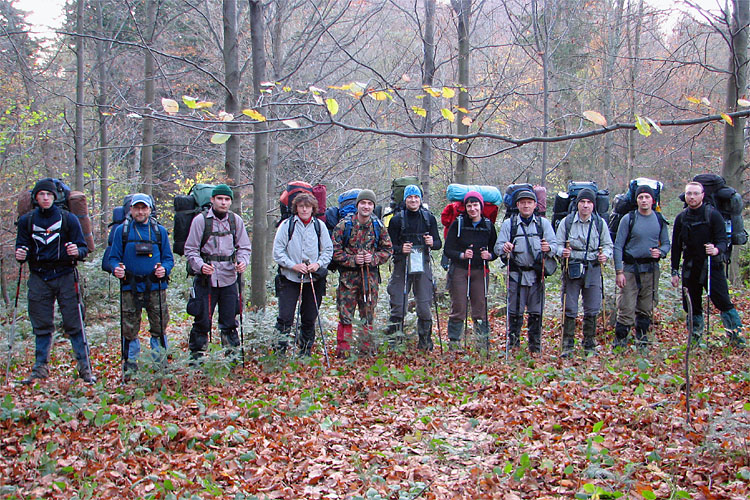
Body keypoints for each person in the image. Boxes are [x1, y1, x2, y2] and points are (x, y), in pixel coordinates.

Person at [16, 179, 94, 384]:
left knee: (75, 322)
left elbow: (83, 248)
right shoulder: (27, 221)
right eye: (41, 194)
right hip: (39, 276)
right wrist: (20, 253)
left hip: (65, 274)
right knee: (41, 324)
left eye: (49, 194)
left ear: (55, 197)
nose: (45, 198)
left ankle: (85, 368)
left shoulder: (68, 219)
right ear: (35, 197)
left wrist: (77, 251)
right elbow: (21, 247)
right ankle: (40, 367)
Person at [670, 181, 745, 347]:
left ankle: (737, 339)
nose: (692, 197)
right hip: (690, 268)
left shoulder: (713, 215)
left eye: (696, 193)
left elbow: (723, 240)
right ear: (685, 195)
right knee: (692, 305)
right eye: (689, 193)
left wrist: (716, 249)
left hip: (712, 267)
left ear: (702, 195)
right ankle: (695, 340)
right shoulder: (681, 218)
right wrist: (674, 271)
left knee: (723, 302)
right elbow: (676, 247)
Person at [107, 193, 174, 376]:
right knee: (129, 328)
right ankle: (130, 365)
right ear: (130, 210)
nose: (140, 211)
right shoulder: (122, 231)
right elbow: (113, 258)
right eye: (136, 208)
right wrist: (116, 269)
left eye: (144, 208)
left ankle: (160, 364)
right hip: (130, 286)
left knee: (159, 327)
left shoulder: (159, 231)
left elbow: (168, 259)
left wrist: (164, 270)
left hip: (155, 286)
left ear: (150, 210)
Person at [184, 184, 252, 361]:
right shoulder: (200, 221)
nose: (223, 202)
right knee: (202, 321)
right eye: (220, 199)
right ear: (212, 200)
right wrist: (200, 266)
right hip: (206, 279)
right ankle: (196, 358)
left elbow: (244, 247)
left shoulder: (235, 220)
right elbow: (190, 249)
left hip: (229, 278)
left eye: (227, 199)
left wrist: (243, 262)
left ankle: (232, 358)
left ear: (230, 201)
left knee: (230, 321)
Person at [331, 189, 393, 356]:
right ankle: (343, 352)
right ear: (357, 205)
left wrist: (372, 258)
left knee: (368, 315)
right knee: (345, 315)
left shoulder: (377, 226)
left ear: (373, 206)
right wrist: (353, 260)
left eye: (370, 203)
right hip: (347, 280)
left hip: (370, 279)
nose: (366, 206)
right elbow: (334, 252)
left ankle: (366, 350)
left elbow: (387, 250)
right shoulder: (344, 226)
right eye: (363, 203)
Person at [495, 188, 557, 353]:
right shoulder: (510, 224)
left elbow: (555, 246)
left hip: (537, 275)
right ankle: (513, 346)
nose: (526, 206)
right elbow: (497, 247)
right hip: (516, 274)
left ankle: (535, 347)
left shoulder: (543, 224)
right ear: (517, 205)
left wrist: (549, 247)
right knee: (515, 311)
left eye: (529, 203)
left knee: (536, 312)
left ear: (535, 205)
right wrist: (505, 247)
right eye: (523, 203)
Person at [273, 193, 333, 356]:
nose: (305, 209)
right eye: (301, 206)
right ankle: (279, 353)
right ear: (296, 208)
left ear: (313, 208)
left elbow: (328, 250)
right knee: (285, 317)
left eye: (308, 206)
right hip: (289, 278)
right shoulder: (286, 225)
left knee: (309, 316)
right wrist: (293, 266)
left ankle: (305, 351)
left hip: (314, 279)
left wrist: (317, 264)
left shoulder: (319, 226)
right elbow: (277, 252)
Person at [555, 188, 613, 356]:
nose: (585, 206)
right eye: (582, 202)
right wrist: (562, 252)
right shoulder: (567, 222)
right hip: (572, 268)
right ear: (577, 204)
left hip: (593, 268)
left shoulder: (599, 223)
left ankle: (589, 344)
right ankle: (567, 345)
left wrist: (605, 256)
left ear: (593, 205)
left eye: (589, 202)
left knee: (593, 306)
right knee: (570, 306)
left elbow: (608, 245)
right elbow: (557, 244)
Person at [613, 185, 670, 351]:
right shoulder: (628, 219)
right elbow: (618, 246)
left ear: (653, 200)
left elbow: (666, 243)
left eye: (647, 197)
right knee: (626, 307)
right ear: (636, 200)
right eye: (641, 197)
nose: (644, 200)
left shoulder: (659, 219)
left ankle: (643, 342)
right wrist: (619, 271)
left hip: (651, 270)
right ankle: (620, 344)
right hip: (630, 269)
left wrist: (660, 252)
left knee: (646, 308)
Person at [386, 185, 443, 350]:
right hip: (401, 265)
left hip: (423, 263)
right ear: (405, 199)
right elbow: (388, 246)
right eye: (410, 197)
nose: (413, 200)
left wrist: (432, 243)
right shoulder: (397, 220)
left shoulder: (428, 218)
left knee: (424, 305)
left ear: (420, 199)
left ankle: (425, 344)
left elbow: (438, 244)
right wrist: (400, 249)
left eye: (416, 197)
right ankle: (394, 344)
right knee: (398, 303)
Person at [443, 191, 498, 351]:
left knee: (480, 307)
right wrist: (461, 255)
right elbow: (448, 249)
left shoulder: (488, 225)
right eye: (469, 205)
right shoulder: (458, 223)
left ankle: (482, 344)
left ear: (481, 206)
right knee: (458, 307)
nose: (472, 209)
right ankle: (454, 343)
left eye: (475, 205)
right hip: (459, 270)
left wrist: (490, 255)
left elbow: (495, 249)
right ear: (465, 207)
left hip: (480, 270)